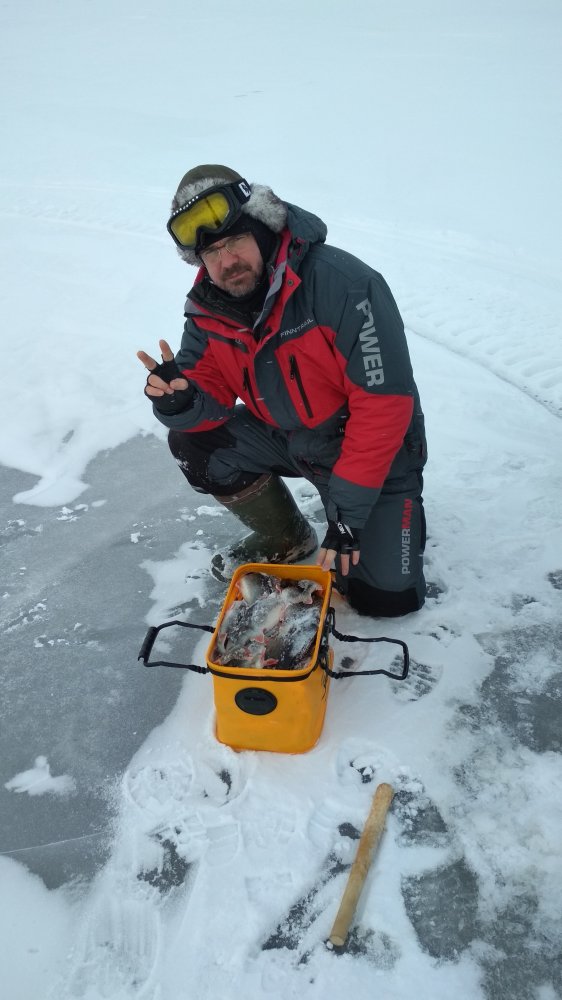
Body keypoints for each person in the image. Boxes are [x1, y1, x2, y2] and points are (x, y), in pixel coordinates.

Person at [138, 164, 427, 617]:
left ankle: (377, 517)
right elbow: (207, 389)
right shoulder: (208, 307)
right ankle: (286, 536)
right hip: (292, 440)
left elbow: (383, 408)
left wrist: (347, 515)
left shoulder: (344, 285)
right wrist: (182, 401)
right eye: (211, 253)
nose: (226, 262)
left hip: (373, 450)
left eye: (235, 241)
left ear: (264, 229)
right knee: (194, 442)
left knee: (386, 600)